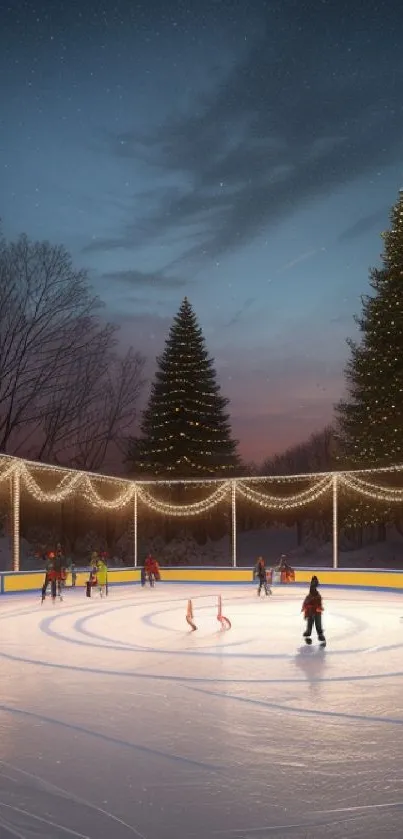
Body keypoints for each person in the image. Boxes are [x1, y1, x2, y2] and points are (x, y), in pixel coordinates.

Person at [302, 576, 326, 646]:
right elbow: (306, 603)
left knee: (317, 624)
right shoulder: (312, 596)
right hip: (311, 611)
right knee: (312, 624)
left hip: (315, 611)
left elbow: (308, 603)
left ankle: (318, 636)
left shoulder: (316, 596)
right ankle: (311, 635)